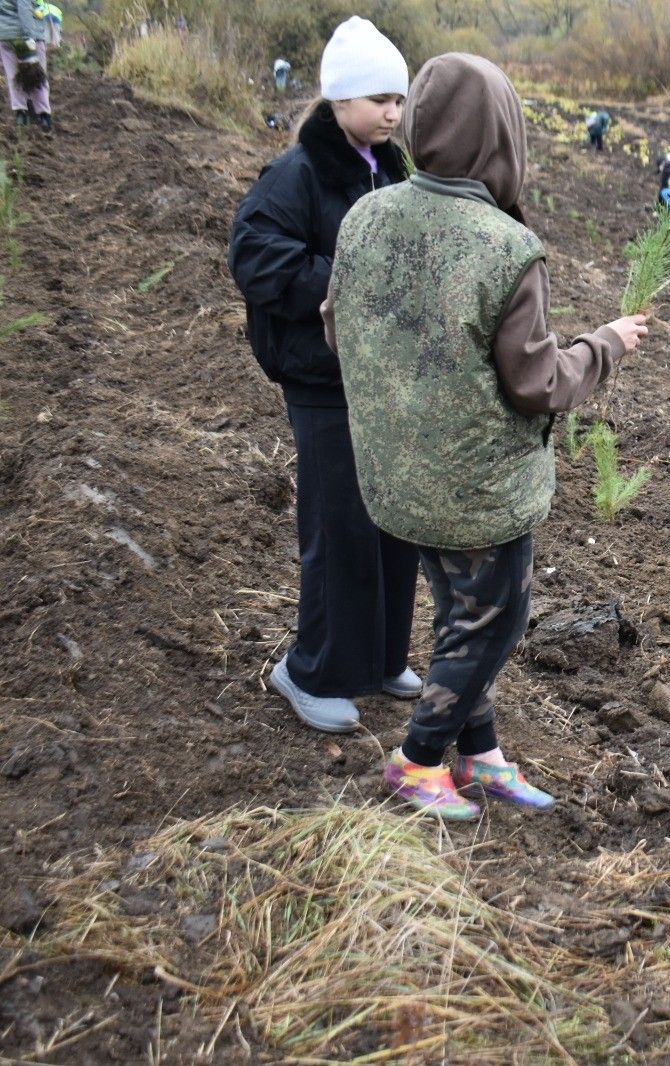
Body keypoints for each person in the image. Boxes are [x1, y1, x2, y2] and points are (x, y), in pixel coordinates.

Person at [323, 52, 648, 820]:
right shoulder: (505, 247)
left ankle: (482, 756)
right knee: (494, 622)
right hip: (477, 491)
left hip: (397, 476)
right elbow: (538, 383)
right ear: (503, 138)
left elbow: (339, 328)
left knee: (460, 616)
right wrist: (603, 343)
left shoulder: (366, 215)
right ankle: (417, 760)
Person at [228, 17, 420, 735]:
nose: (392, 113)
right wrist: (342, 285)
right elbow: (253, 254)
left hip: (384, 376)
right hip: (321, 375)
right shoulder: (297, 173)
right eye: (378, 99)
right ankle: (310, 670)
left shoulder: (394, 167)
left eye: (398, 100)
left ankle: (378, 657)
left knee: (394, 515)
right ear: (338, 100)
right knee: (339, 522)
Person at [1, 0, 50, 131]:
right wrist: (29, 37)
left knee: (13, 75)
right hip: (27, 35)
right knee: (37, 75)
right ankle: (44, 116)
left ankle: (20, 115)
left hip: (5, 37)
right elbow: (24, 7)